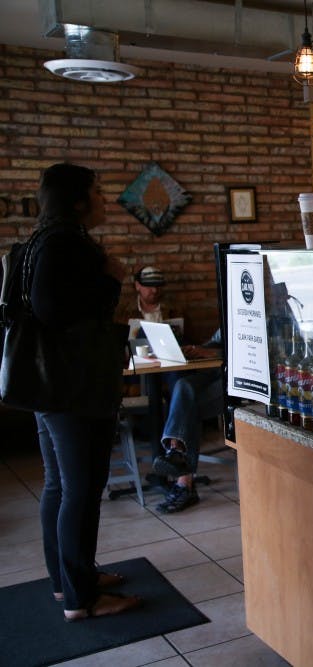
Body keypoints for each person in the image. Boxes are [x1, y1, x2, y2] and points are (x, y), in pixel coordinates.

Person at [26, 163, 141, 620]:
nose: (104, 199)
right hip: (73, 387)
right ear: (76, 200)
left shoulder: (42, 238)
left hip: (49, 384)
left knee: (60, 485)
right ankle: (82, 599)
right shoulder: (66, 243)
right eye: (97, 192)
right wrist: (111, 277)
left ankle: (68, 581)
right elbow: (57, 313)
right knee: (80, 489)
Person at [151, 329, 225, 513]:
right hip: (217, 370)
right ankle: (176, 452)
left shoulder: (265, 311)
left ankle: (183, 479)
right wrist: (194, 350)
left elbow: (260, 351)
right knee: (183, 386)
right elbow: (215, 341)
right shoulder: (230, 307)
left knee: (186, 406)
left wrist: (216, 353)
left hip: (240, 377)